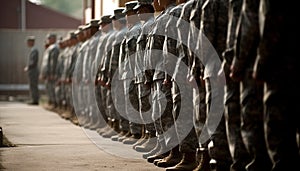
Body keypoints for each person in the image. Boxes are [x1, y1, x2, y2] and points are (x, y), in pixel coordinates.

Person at [24, 36, 40, 105]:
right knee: (32, 85)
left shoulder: (34, 50)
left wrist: (28, 67)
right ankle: (33, 99)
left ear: (32, 42)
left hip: (33, 70)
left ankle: (35, 100)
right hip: (32, 70)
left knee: (33, 85)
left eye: (29, 42)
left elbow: (33, 61)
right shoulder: (32, 50)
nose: (27, 43)